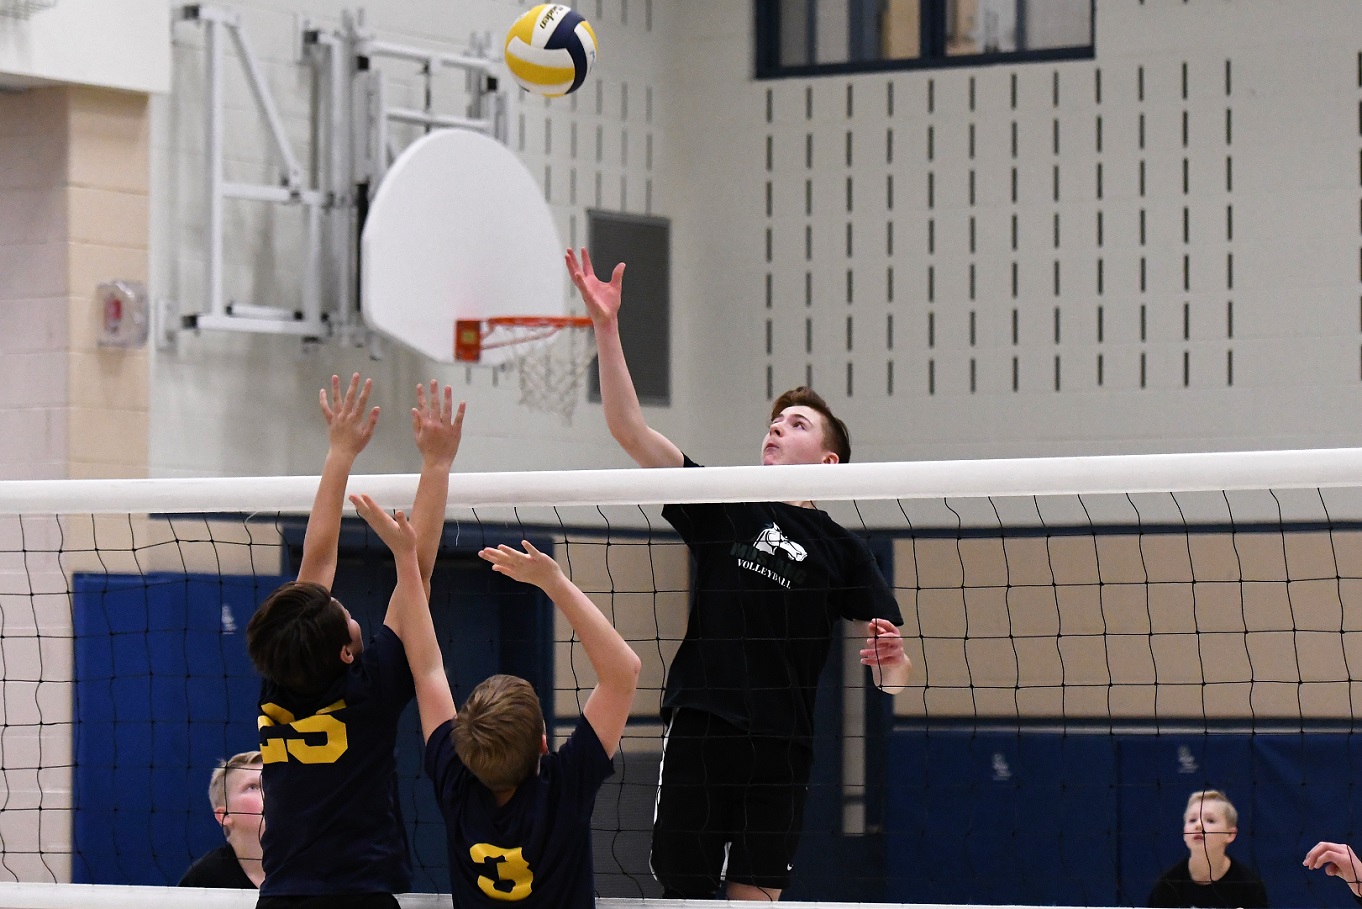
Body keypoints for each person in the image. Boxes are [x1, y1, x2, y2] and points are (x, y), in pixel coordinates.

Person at [566, 248, 913, 901]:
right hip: (704, 723)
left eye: (797, 424)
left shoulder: (842, 550)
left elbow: (892, 678)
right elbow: (628, 429)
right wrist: (606, 327)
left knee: (756, 895)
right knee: (685, 887)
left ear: (829, 461)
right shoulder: (723, 502)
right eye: (774, 422)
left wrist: (891, 662)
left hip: (783, 744)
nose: (777, 428)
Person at [246, 376, 465, 907]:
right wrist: (436, 464)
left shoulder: (280, 682)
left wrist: (340, 453)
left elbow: (316, 562)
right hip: (360, 895)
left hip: (283, 897)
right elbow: (417, 573)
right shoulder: (370, 690)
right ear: (347, 652)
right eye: (344, 613)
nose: (343, 604)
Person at [1148, 789, 1268, 908]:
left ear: (1230, 834)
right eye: (1192, 820)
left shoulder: (1249, 887)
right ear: (1184, 833)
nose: (1198, 825)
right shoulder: (1167, 886)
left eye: (1210, 820)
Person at [179, 750, 265, 888]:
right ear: (225, 815)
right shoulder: (204, 878)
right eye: (252, 787)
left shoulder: (302, 867)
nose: (270, 791)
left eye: (272, 784)